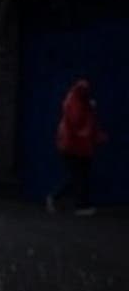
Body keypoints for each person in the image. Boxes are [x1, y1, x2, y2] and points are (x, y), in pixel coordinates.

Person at [47, 79, 107, 216]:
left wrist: (96, 136)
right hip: (73, 146)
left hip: (77, 146)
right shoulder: (75, 103)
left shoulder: (79, 102)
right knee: (78, 176)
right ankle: (75, 203)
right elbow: (78, 124)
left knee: (79, 176)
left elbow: (88, 124)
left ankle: (64, 200)